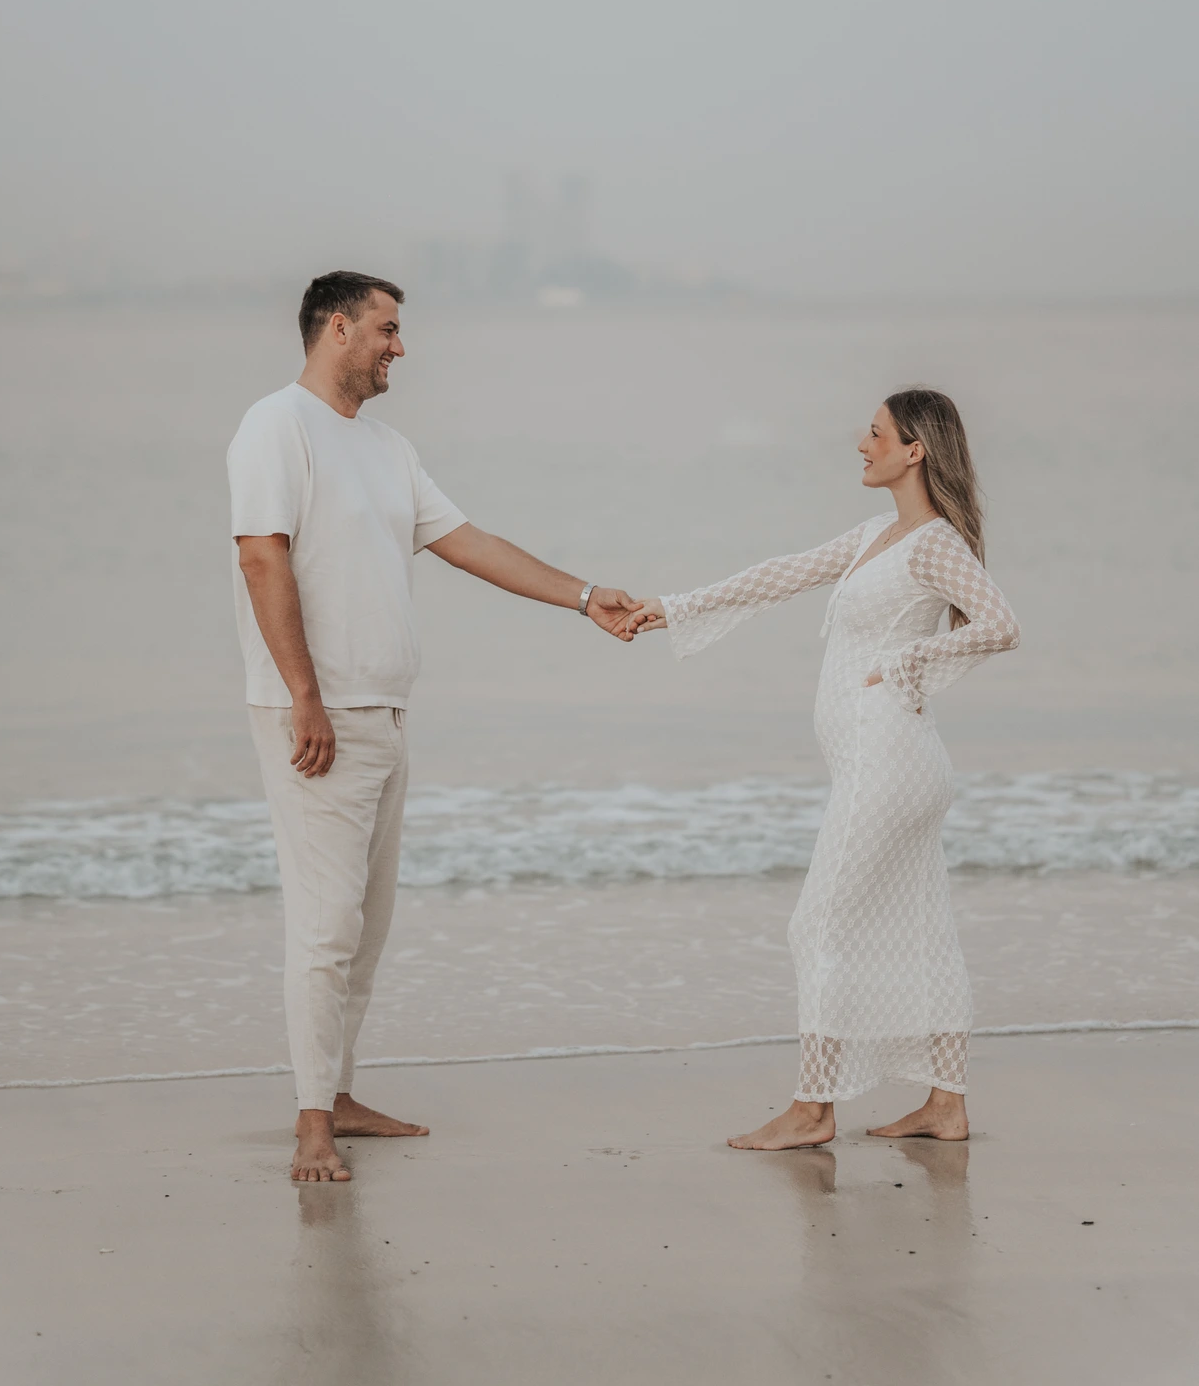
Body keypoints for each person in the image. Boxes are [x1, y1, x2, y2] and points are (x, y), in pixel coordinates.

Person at [228, 270, 640, 1182]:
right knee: (325, 925)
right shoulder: (275, 426)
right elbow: (262, 558)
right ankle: (308, 1125)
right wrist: (304, 693)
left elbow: (468, 542)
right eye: (386, 328)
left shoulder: (384, 447)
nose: (398, 347)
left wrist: (583, 596)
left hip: (383, 712)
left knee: (366, 927)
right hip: (315, 714)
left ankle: (335, 1093)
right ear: (337, 329)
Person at [625, 389, 1020, 1149]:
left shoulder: (933, 542)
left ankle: (813, 1108)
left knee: (817, 925)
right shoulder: (880, 534)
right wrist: (671, 607)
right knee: (922, 928)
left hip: (888, 760)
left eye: (875, 434)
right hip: (888, 763)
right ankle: (945, 1104)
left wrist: (910, 660)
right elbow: (780, 574)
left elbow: (1000, 625)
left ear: (915, 451)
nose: (860, 443)